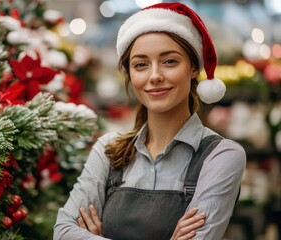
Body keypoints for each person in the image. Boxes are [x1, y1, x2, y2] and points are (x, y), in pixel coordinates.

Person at [54, 2, 246, 240]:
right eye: (141, 65)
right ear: (130, 73)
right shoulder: (109, 149)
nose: (155, 76)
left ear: (194, 68)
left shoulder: (221, 156)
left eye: (170, 61)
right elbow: (63, 232)